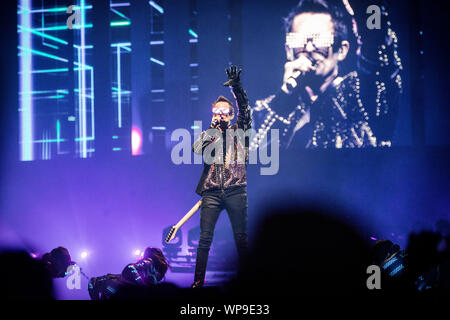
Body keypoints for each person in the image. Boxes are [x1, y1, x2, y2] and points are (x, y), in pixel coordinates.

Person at [250, 0, 403, 149]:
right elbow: (253, 160)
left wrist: (369, 8)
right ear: (288, 50)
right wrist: (283, 101)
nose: (309, 48)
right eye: (299, 40)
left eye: (320, 40)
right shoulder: (269, 109)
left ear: (342, 50)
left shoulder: (359, 93)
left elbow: (377, 54)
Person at [191, 65, 252, 288]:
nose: (219, 115)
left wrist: (236, 86)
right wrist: (211, 130)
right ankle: (198, 282)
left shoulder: (240, 130)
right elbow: (196, 149)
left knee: (241, 239)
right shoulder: (210, 134)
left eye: (224, 111)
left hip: (236, 190)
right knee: (204, 240)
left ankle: (247, 282)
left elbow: (245, 109)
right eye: (216, 111)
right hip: (212, 193)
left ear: (231, 114)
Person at [88, 247, 169, 300]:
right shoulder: (151, 264)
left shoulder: (150, 264)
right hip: (119, 286)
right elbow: (131, 268)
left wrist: (140, 282)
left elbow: (131, 268)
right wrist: (140, 281)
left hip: (121, 288)